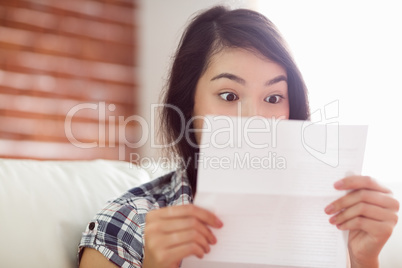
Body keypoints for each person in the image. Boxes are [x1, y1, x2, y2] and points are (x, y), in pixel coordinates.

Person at [78, 6, 399, 268]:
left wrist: (363, 260)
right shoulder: (127, 223)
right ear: (188, 106)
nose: (255, 122)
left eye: (273, 98)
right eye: (229, 95)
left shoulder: (328, 218)